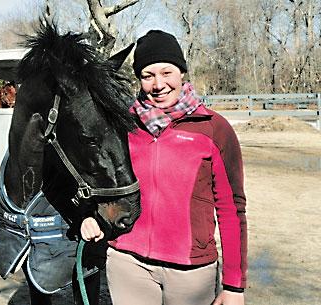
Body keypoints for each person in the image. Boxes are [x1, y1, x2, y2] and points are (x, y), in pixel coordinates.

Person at [81, 29, 247, 305]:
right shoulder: (122, 126)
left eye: (166, 72)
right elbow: (100, 181)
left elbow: (232, 210)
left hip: (190, 272)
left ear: (182, 72)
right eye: (147, 76)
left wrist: (234, 286)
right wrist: (90, 216)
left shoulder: (214, 129)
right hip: (128, 264)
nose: (158, 84)